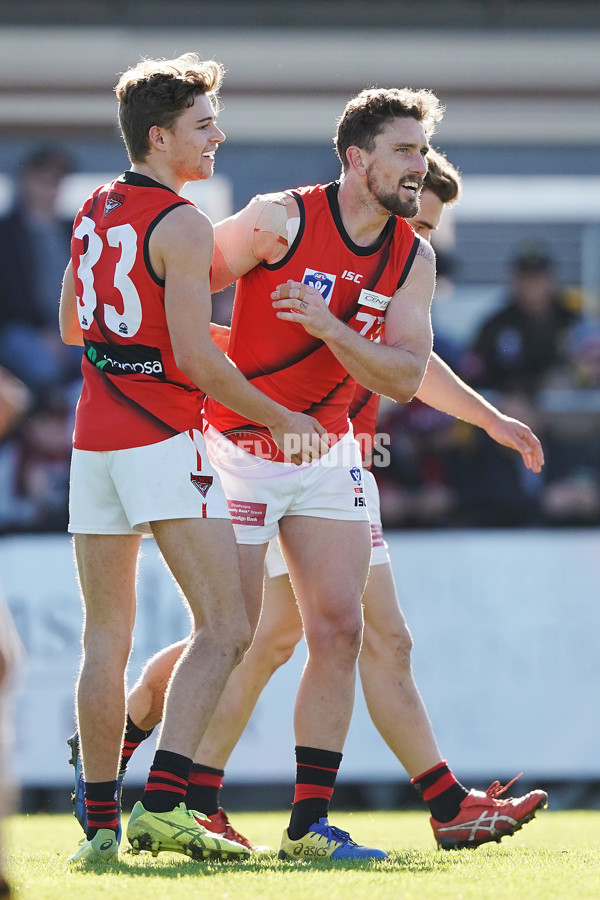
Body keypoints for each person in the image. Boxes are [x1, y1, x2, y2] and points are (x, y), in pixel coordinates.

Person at [73, 148, 547, 853]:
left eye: (429, 225)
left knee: (337, 634)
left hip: (335, 459)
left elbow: (411, 366)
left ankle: (416, 805)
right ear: (370, 173)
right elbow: (181, 301)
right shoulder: (289, 221)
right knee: (258, 636)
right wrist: (237, 354)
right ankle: (163, 756)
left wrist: (486, 419)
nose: (417, 237)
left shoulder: (402, 258)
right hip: (255, 449)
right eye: (417, 217)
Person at [58, 51, 327, 866]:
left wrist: (188, 342)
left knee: (105, 639)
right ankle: (167, 801)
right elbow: (199, 365)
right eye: (203, 125)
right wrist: (284, 416)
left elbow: (78, 329)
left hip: (92, 444)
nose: (218, 137)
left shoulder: (94, 208)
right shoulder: (180, 221)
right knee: (229, 627)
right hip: (161, 439)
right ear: (159, 135)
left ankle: (100, 829)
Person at [0, 146, 81, 395]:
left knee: (108, 364)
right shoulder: (6, 233)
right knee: (42, 366)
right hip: (21, 330)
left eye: (57, 180)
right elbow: (9, 291)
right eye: (44, 178)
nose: (51, 186)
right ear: (26, 180)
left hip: (73, 330)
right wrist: (45, 332)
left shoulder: (76, 230)